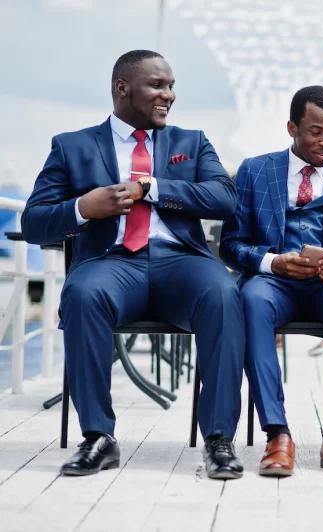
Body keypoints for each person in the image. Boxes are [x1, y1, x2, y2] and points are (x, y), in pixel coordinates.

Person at [21, 50, 245, 479]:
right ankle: (98, 438)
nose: (169, 95)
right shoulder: (72, 146)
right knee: (83, 293)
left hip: (179, 261)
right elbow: (33, 222)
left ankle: (218, 438)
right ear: (123, 87)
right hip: (112, 262)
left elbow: (225, 200)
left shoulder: (191, 142)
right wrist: (83, 207)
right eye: (158, 86)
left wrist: (155, 187)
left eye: (172, 86)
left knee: (223, 292)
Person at [220, 86, 323, 477]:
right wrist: (274, 263)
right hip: (274, 283)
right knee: (251, 299)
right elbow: (231, 245)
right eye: (316, 132)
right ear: (292, 128)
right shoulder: (254, 171)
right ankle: (277, 434)